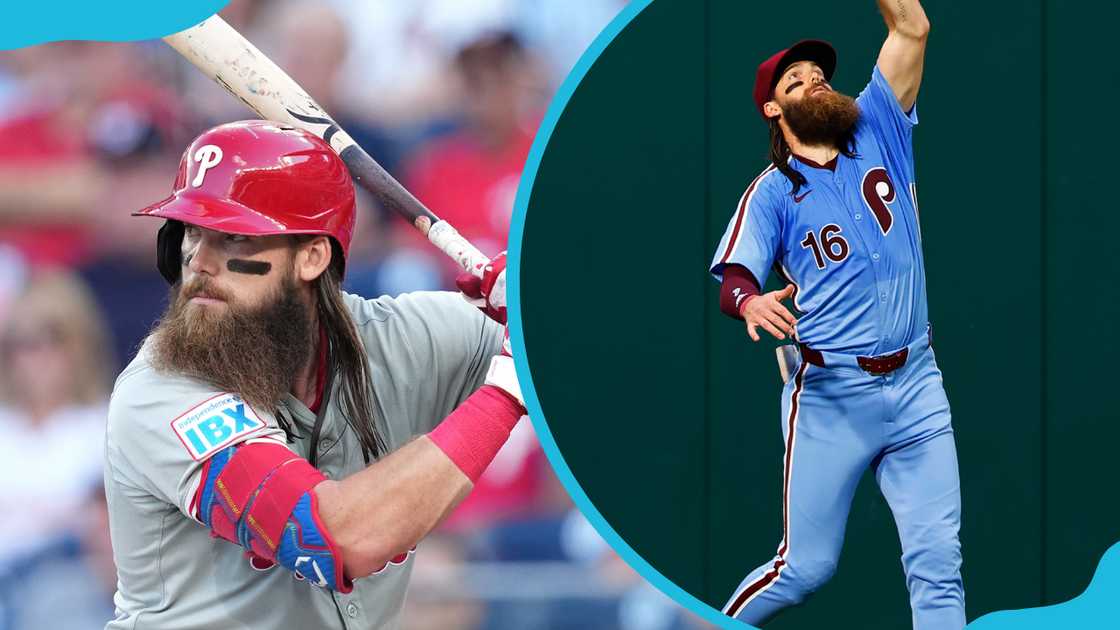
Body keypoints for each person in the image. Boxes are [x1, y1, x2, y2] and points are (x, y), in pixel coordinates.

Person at [104, 120, 519, 629]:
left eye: (233, 237)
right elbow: (336, 537)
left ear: (312, 257)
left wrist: (539, 302)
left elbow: (607, 350)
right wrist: (507, 389)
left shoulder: (403, 338)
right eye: (192, 232)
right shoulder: (162, 389)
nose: (199, 262)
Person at [710, 2, 964, 628]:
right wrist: (749, 299)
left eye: (818, 74)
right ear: (774, 109)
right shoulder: (773, 190)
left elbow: (912, 26)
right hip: (831, 394)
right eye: (794, 81)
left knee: (938, 562)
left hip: (916, 381)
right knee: (803, 569)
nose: (814, 82)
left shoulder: (880, 125)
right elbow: (734, 278)